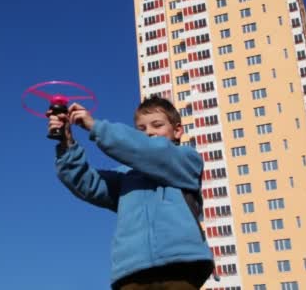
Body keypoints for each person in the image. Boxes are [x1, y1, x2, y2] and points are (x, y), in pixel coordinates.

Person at [48, 95, 214, 290]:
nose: (149, 133)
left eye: (157, 125)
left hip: (179, 269)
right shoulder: (127, 177)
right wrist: (66, 141)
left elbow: (149, 151)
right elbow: (85, 181)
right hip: (131, 273)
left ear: (177, 131)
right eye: (141, 129)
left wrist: (95, 126)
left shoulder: (187, 161)